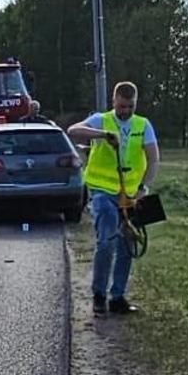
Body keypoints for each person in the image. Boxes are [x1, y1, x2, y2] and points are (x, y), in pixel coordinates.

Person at [66, 82, 160, 316]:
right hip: (103, 192)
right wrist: (103, 135)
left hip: (129, 196)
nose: (126, 111)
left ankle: (117, 297)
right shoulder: (102, 119)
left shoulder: (143, 125)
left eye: (130, 106)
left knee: (127, 246)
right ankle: (99, 295)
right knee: (106, 242)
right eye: (121, 106)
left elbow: (153, 159)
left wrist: (143, 188)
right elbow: (73, 131)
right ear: (114, 101)